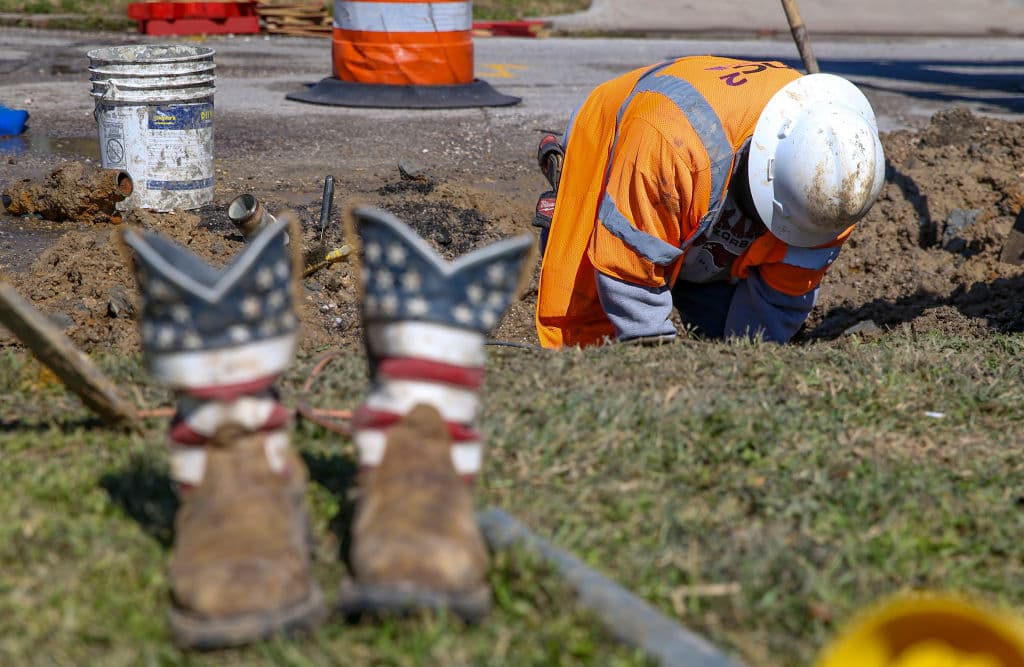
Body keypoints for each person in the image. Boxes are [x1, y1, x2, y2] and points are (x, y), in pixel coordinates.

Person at [533, 56, 886, 349]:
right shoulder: (669, 150)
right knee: (584, 336)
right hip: (626, 140)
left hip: (700, 181)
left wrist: (749, 363)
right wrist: (652, 356)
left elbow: (782, 295)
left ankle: (687, 259)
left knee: (722, 325)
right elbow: (627, 268)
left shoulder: (836, 189)